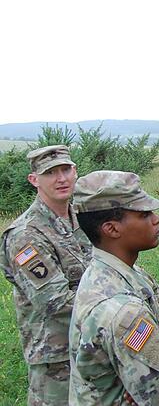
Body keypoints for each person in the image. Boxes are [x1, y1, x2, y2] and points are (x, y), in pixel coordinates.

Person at [68, 171, 159, 405]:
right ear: (112, 229)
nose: (156, 219)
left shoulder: (126, 274)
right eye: (145, 214)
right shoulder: (122, 311)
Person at [0, 145, 92, 405]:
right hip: (57, 359)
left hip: (93, 343)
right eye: (50, 172)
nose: (61, 179)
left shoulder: (81, 217)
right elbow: (56, 303)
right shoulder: (25, 235)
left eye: (65, 169)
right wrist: (117, 310)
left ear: (75, 172)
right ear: (34, 180)